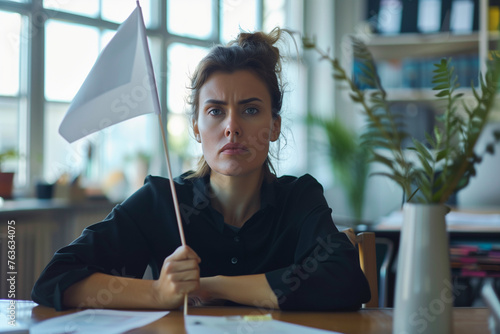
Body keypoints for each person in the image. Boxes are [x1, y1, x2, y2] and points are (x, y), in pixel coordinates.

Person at [32, 27, 370, 311]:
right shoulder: (162, 201)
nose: (232, 128)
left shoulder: (299, 198)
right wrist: (158, 293)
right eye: (215, 111)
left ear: (275, 125)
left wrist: (212, 286)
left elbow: (346, 282)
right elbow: (55, 279)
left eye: (250, 110)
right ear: (195, 127)